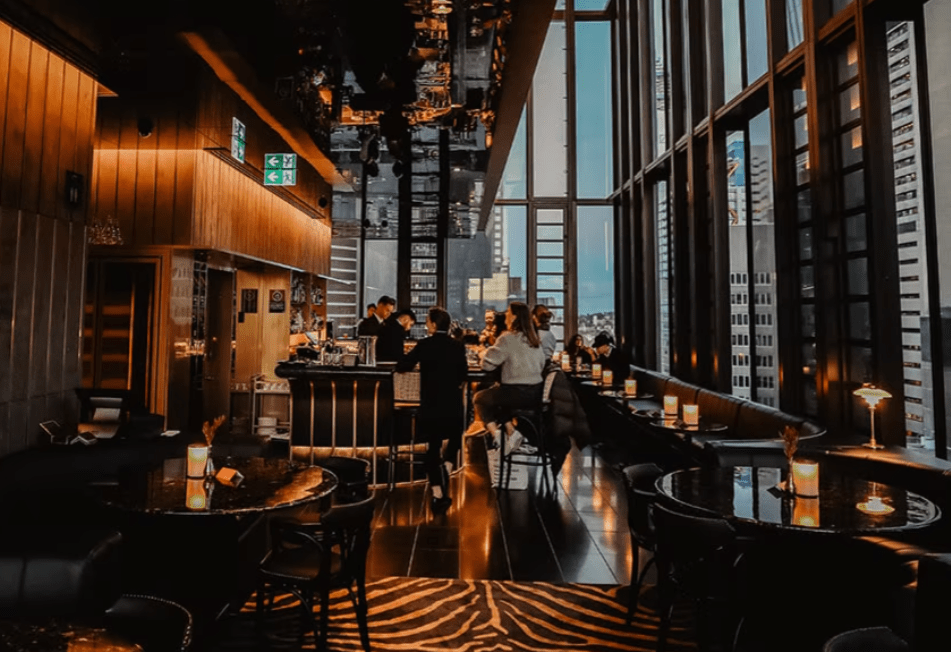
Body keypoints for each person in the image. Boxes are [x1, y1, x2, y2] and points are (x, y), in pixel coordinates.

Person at [396, 307, 468, 514]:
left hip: (431, 405)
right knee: (455, 438)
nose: (426, 324)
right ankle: (448, 466)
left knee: (432, 448)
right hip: (453, 404)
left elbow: (403, 365)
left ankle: (438, 494)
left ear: (434, 325)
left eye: (428, 321)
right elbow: (463, 374)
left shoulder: (424, 344)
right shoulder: (457, 346)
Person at [473, 301, 547, 454]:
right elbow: (541, 365)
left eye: (508, 312)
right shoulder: (535, 340)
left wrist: (481, 354)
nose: (505, 315)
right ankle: (511, 432)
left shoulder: (507, 338)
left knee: (480, 398)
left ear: (514, 317)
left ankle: (498, 436)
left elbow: (487, 365)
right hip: (535, 394)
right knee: (497, 395)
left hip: (514, 393)